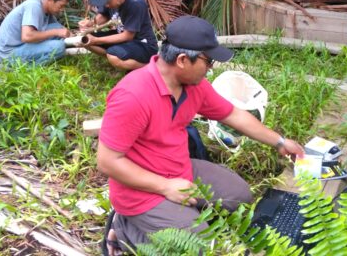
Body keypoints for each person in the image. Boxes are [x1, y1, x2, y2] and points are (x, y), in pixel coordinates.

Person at [97, 15, 305, 254]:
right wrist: (165, 187)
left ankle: (172, 216)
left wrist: (279, 141)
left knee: (240, 197)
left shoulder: (195, 86)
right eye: (208, 62)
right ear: (183, 60)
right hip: (140, 190)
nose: (211, 68)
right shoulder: (133, 95)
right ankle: (124, 228)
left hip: (179, 168)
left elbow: (233, 115)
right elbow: (107, 161)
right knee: (198, 247)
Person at [79, 0, 158, 71]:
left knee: (113, 55)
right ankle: (120, 59)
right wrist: (90, 23)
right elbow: (104, 15)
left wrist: (97, 40)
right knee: (85, 39)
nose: (106, 5)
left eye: (108, 2)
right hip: (123, 38)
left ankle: (152, 67)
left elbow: (127, 36)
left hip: (144, 44)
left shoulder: (135, 3)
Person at [0, 0, 72, 65]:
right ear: (50, 0)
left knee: (58, 27)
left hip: (22, 47)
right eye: (61, 6)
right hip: (8, 55)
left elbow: (61, 31)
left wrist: (73, 35)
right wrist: (56, 32)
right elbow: (27, 37)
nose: (62, 9)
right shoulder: (33, 6)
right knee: (59, 47)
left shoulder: (48, 11)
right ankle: (31, 69)